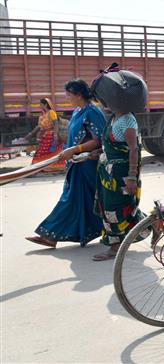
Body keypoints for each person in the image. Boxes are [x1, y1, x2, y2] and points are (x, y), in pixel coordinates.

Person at [25, 79, 107, 248]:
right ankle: (51, 236)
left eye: (69, 94)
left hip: (87, 165)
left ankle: (143, 224)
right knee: (79, 201)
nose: (66, 97)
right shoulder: (78, 111)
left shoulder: (93, 112)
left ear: (78, 95)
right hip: (75, 164)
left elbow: (98, 140)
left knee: (93, 201)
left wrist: (75, 149)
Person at [91, 109, 142, 261]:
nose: (102, 104)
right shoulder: (113, 118)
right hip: (107, 173)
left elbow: (133, 149)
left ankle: (115, 246)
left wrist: (132, 176)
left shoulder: (127, 120)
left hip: (121, 174)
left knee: (114, 210)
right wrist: (98, 152)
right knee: (120, 208)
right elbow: (112, 145)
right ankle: (155, 224)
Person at [23, 98, 66, 171]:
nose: (40, 106)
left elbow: (56, 124)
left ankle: (38, 168)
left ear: (46, 104)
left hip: (51, 136)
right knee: (42, 152)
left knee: (44, 152)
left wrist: (55, 135)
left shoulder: (51, 112)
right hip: (44, 136)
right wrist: (30, 134)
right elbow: (39, 126)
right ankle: (40, 168)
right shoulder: (42, 115)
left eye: (41, 104)